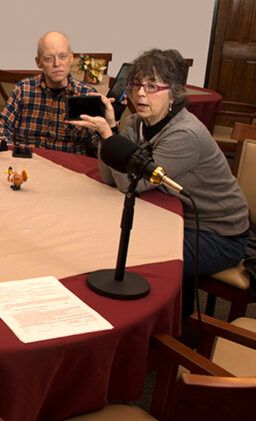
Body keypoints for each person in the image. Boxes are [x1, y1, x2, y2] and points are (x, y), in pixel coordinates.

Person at [69, 48, 250, 317]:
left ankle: (153, 330)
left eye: (152, 86)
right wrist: (111, 130)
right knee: (115, 234)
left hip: (216, 234)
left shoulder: (185, 134)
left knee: (136, 257)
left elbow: (132, 184)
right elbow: (109, 177)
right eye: (136, 85)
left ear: (174, 93)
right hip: (172, 216)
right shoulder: (135, 123)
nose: (141, 93)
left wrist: (109, 136)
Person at [0, 31, 100, 156]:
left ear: (71, 58)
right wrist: (11, 153)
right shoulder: (24, 89)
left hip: (69, 167)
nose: (57, 64)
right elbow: (2, 127)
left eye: (63, 56)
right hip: (27, 162)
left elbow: (98, 143)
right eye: (48, 59)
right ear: (38, 62)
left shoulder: (86, 94)